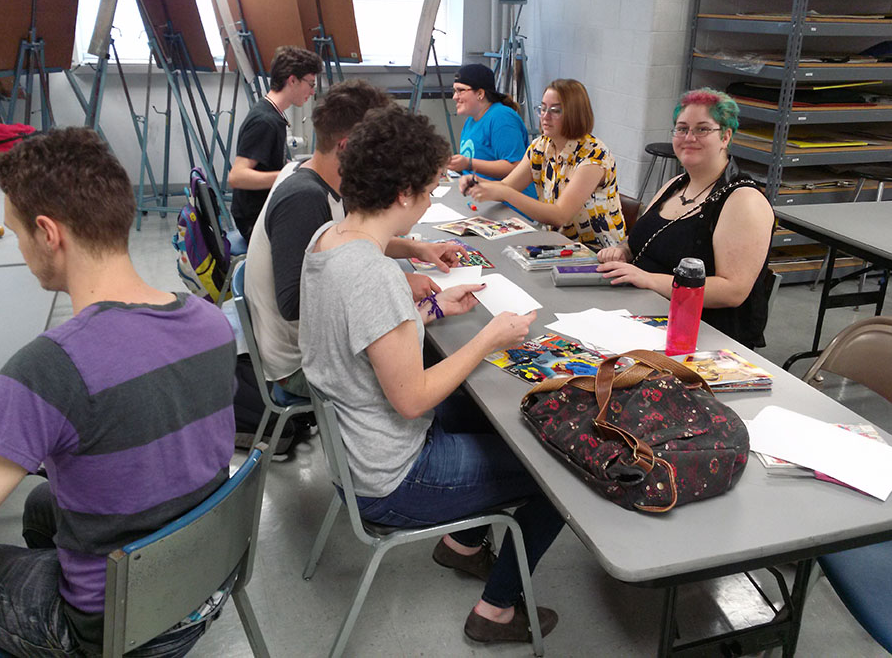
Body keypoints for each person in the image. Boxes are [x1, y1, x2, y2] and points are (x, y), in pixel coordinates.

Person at [0, 128, 237, 657]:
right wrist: (23, 418)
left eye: (16, 233)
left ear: (47, 234)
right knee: (41, 506)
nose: (20, 248)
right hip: (201, 587)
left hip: (119, 631)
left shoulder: (48, 371)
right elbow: (129, 425)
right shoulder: (211, 322)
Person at [299, 106, 564, 644]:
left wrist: (431, 310)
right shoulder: (374, 272)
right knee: (554, 474)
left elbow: (363, 337)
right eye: (427, 191)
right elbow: (412, 399)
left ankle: (463, 545)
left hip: (357, 448)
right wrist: (490, 337)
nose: (427, 201)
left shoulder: (328, 238)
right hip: (392, 476)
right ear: (404, 194)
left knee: (485, 411)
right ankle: (496, 612)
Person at [245, 79, 468, 401]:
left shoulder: (313, 175)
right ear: (350, 146)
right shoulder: (304, 199)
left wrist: (415, 248)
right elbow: (295, 301)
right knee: (442, 364)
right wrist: (398, 284)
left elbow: (350, 239)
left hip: (316, 348)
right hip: (299, 363)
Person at [595, 88, 775, 348]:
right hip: (642, 314)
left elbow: (733, 291)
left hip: (701, 336)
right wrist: (623, 251)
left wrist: (648, 279)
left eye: (702, 129)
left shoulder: (744, 200)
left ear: (725, 136)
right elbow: (639, 241)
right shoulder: (676, 184)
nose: (689, 138)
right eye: (682, 129)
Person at [460, 78, 626, 250]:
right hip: (557, 242)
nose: (545, 117)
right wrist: (477, 182)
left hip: (598, 251)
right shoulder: (541, 146)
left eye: (555, 111)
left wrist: (505, 192)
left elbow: (560, 215)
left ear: (574, 114)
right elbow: (506, 186)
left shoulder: (594, 156)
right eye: (543, 109)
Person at [229, 45, 323, 241]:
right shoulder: (264, 121)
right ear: (293, 80)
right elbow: (237, 177)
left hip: (265, 210)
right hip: (254, 220)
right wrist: (287, 175)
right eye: (311, 84)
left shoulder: (273, 115)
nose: (312, 91)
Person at [447, 63, 537, 200]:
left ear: (480, 94)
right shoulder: (471, 120)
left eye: (460, 90)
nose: (455, 97)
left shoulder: (502, 118)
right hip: (482, 196)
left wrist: (469, 163)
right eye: (454, 91)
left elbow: (515, 167)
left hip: (508, 203)